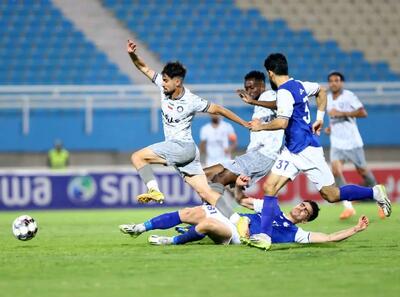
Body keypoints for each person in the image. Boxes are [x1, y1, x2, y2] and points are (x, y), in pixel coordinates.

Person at [246, 53, 391, 251]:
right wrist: (320, 117)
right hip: (291, 150)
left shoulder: (284, 93)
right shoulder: (299, 85)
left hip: (307, 150)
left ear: (270, 73)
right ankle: (264, 236)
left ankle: (375, 192)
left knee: (332, 195)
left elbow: (282, 122)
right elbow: (321, 91)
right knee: (270, 188)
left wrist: (259, 127)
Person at [126, 39, 249, 218]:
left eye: (166, 81)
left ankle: (153, 190)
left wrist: (244, 123)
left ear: (178, 82)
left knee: (137, 157)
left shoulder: (191, 101)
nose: (163, 84)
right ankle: (238, 221)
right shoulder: (163, 85)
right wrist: (132, 54)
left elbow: (220, 110)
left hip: (181, 147)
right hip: (188, 153)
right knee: (206, 193)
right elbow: (143, 67)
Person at [119, 176, 369, 247]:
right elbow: (242, 201)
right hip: (235, 217)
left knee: (206, 223)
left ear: (307, 218)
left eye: (306, 210)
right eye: (303, 204)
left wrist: (355, 229)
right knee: (194, 208)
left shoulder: (296, 233)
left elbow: (327, 238)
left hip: (236, 235)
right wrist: (239, 185)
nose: (301, 208)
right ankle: (141, 227)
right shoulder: (271, 206)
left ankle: (171, 241)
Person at [204, 70, 283, 188]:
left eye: (251, 87)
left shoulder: (269, 95)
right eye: (246, 88)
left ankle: (208, 206)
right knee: (205, 174)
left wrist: (253, 102)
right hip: (253, 154)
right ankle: (211, 206)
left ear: (262, 85)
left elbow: (280, 104)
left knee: (219, 179)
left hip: (265, 154)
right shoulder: (259, 105)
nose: (249, 91)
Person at [326, 71, 384, 220]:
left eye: (337, 80)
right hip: (337, 143)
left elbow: (363, 113)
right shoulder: (327, 98)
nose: (334, 83)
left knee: (363, 172)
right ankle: (348, 207)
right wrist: (330, 128)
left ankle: (381, 200)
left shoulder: (349, 96)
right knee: (336, 171)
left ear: (341, 83)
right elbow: (333, 119)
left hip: (352, 142)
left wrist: (341, 113)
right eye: (331, 81)